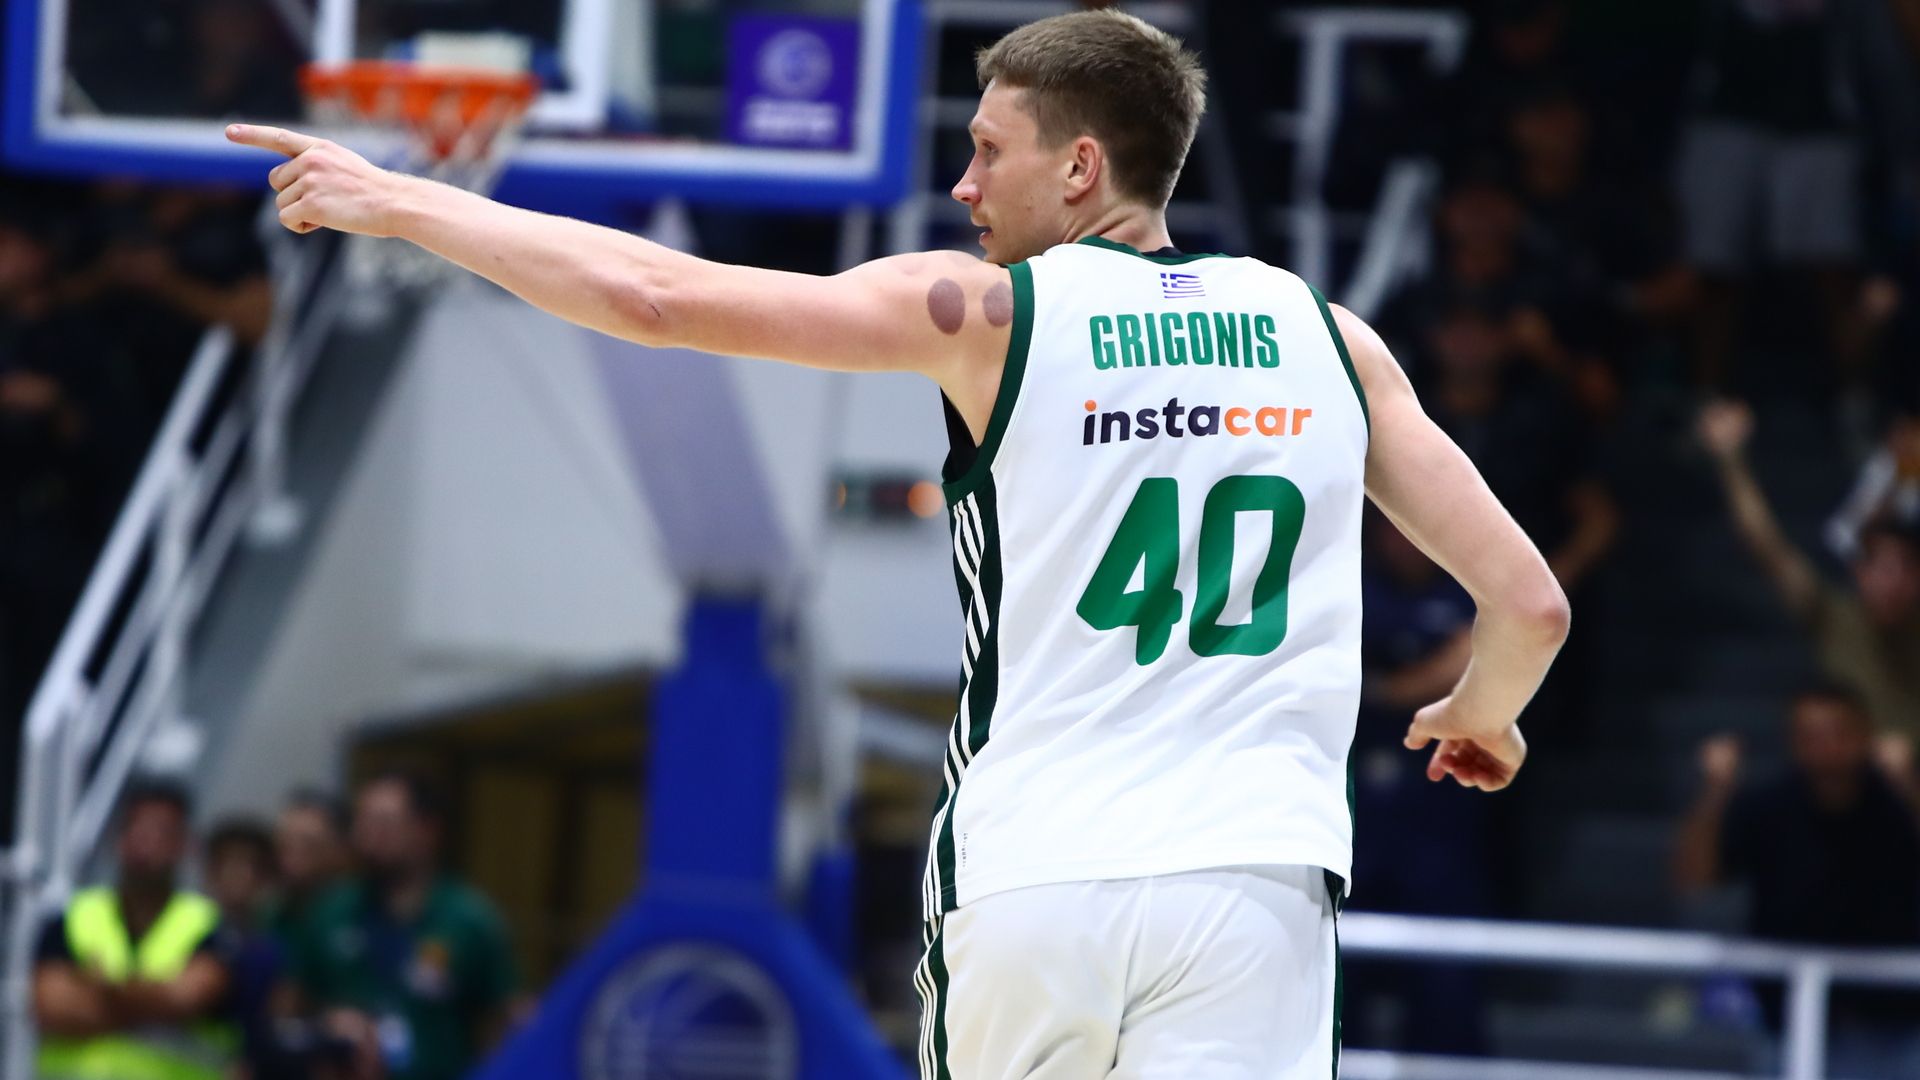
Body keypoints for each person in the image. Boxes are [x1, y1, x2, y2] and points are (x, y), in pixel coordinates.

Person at [227, 11, 1572, 1076]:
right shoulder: (1334, 343)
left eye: (990, 150)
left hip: (1037, 872)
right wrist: (1483, 712)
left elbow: (654, 296)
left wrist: (402, 202)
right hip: (1254, 886)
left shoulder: (985, 313)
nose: (962, 181)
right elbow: (1529, 605)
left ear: (1081, 168)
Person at [1673, 684, 1920, 1074]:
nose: (1827, 747)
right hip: (1789, 1020)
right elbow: (1694, 879)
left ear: (1866, 735)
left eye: (1838, 732)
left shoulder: (1898, 800)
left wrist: (1907, 785)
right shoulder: (1769, 806)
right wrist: (1715, 792)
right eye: (1811, 735)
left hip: (1895, 1021)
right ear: (1793, 742)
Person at [1699, 400, 1920, 740]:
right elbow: (1765, 545)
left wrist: (1907, 467)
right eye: (1880, 568)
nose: (1892, 581)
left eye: (1904, 567)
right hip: (1843, 764)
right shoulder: (1832, 615)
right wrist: (1731, 461)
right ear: (1858, 572)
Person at [290, 771, 521, 1080]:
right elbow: (292, 1009)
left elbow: (504, 1018)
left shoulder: (469, 920)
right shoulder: (332, 912)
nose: (369, 835)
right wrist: (325, 1025)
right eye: (363, 821)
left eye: (384, 822)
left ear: (427, 830)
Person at [32, 780, 238, 1080]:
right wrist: (148, 1003)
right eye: (138, 829)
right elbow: (51, 1005)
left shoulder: (208, 925)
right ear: (119, 839)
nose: (147, 842)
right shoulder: (73, 916)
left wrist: (102, 987)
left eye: (162, 832)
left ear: (184, 844)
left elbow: (184, 999)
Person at [205, 818, 288, 1079]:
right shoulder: (190, 937)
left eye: (251, 866)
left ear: (266, 880)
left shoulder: (273, 951)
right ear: (211, 873)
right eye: (229, 864)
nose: (239, 875)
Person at [269, 789, 352, 946]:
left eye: (308, 843)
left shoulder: (359, 909)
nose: (293, 857)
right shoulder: (271, 911)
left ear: (339, 848)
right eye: (286, 843)